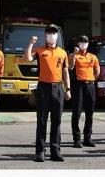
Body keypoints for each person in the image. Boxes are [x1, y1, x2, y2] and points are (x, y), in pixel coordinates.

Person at [24, 24, 71, 162]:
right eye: (49, 33)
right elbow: (27, 58)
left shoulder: (62, 52)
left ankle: (55, 152)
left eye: (54, 33)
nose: (52, 35)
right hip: (43, 88)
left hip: (58, 88)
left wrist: (68, 89)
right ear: (45, 35)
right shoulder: (39, 50)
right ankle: (40, 152)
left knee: (57, 121)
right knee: (42, 121)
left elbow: (65, 71)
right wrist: (30, 43)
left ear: (57, 35)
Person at [69, 34, 100, 148]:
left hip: (89, 85)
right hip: (78, 85)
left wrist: (93, 80)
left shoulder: (93, 56)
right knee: (76, 112)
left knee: (90, 113)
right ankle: (76, 139)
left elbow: (97, 70)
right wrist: (74, 54)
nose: (83, 44)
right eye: (81, 42)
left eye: (85, 42)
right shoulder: (73, 55)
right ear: (78, 43)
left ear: (88, 43)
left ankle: (87, 138)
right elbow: (70, 66)